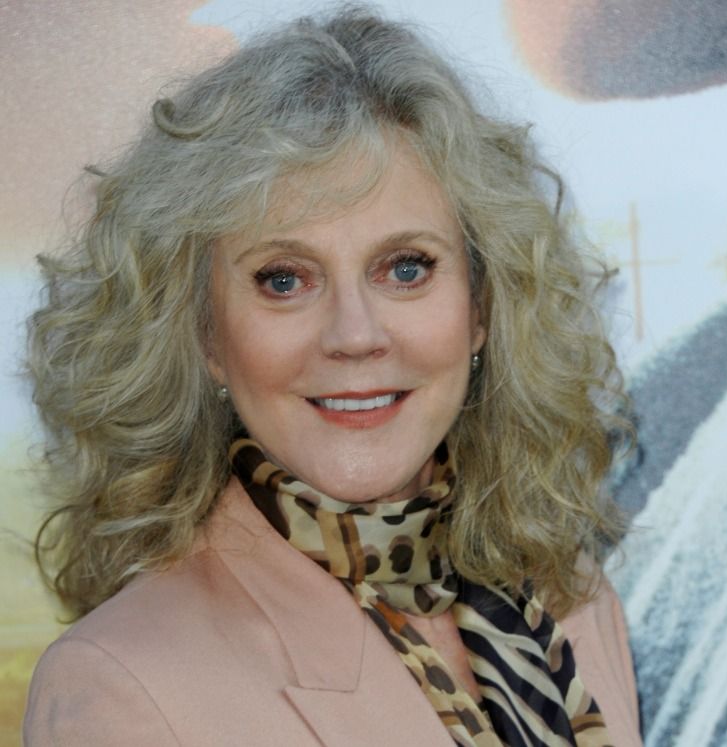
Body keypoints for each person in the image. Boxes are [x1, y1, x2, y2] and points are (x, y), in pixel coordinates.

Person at [23, 7, 641, 746]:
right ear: (206, 335)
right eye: (285, 279)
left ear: (482, 308)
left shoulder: (576, 601)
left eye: (405, 268)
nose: (354, 335)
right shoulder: (123, 687)